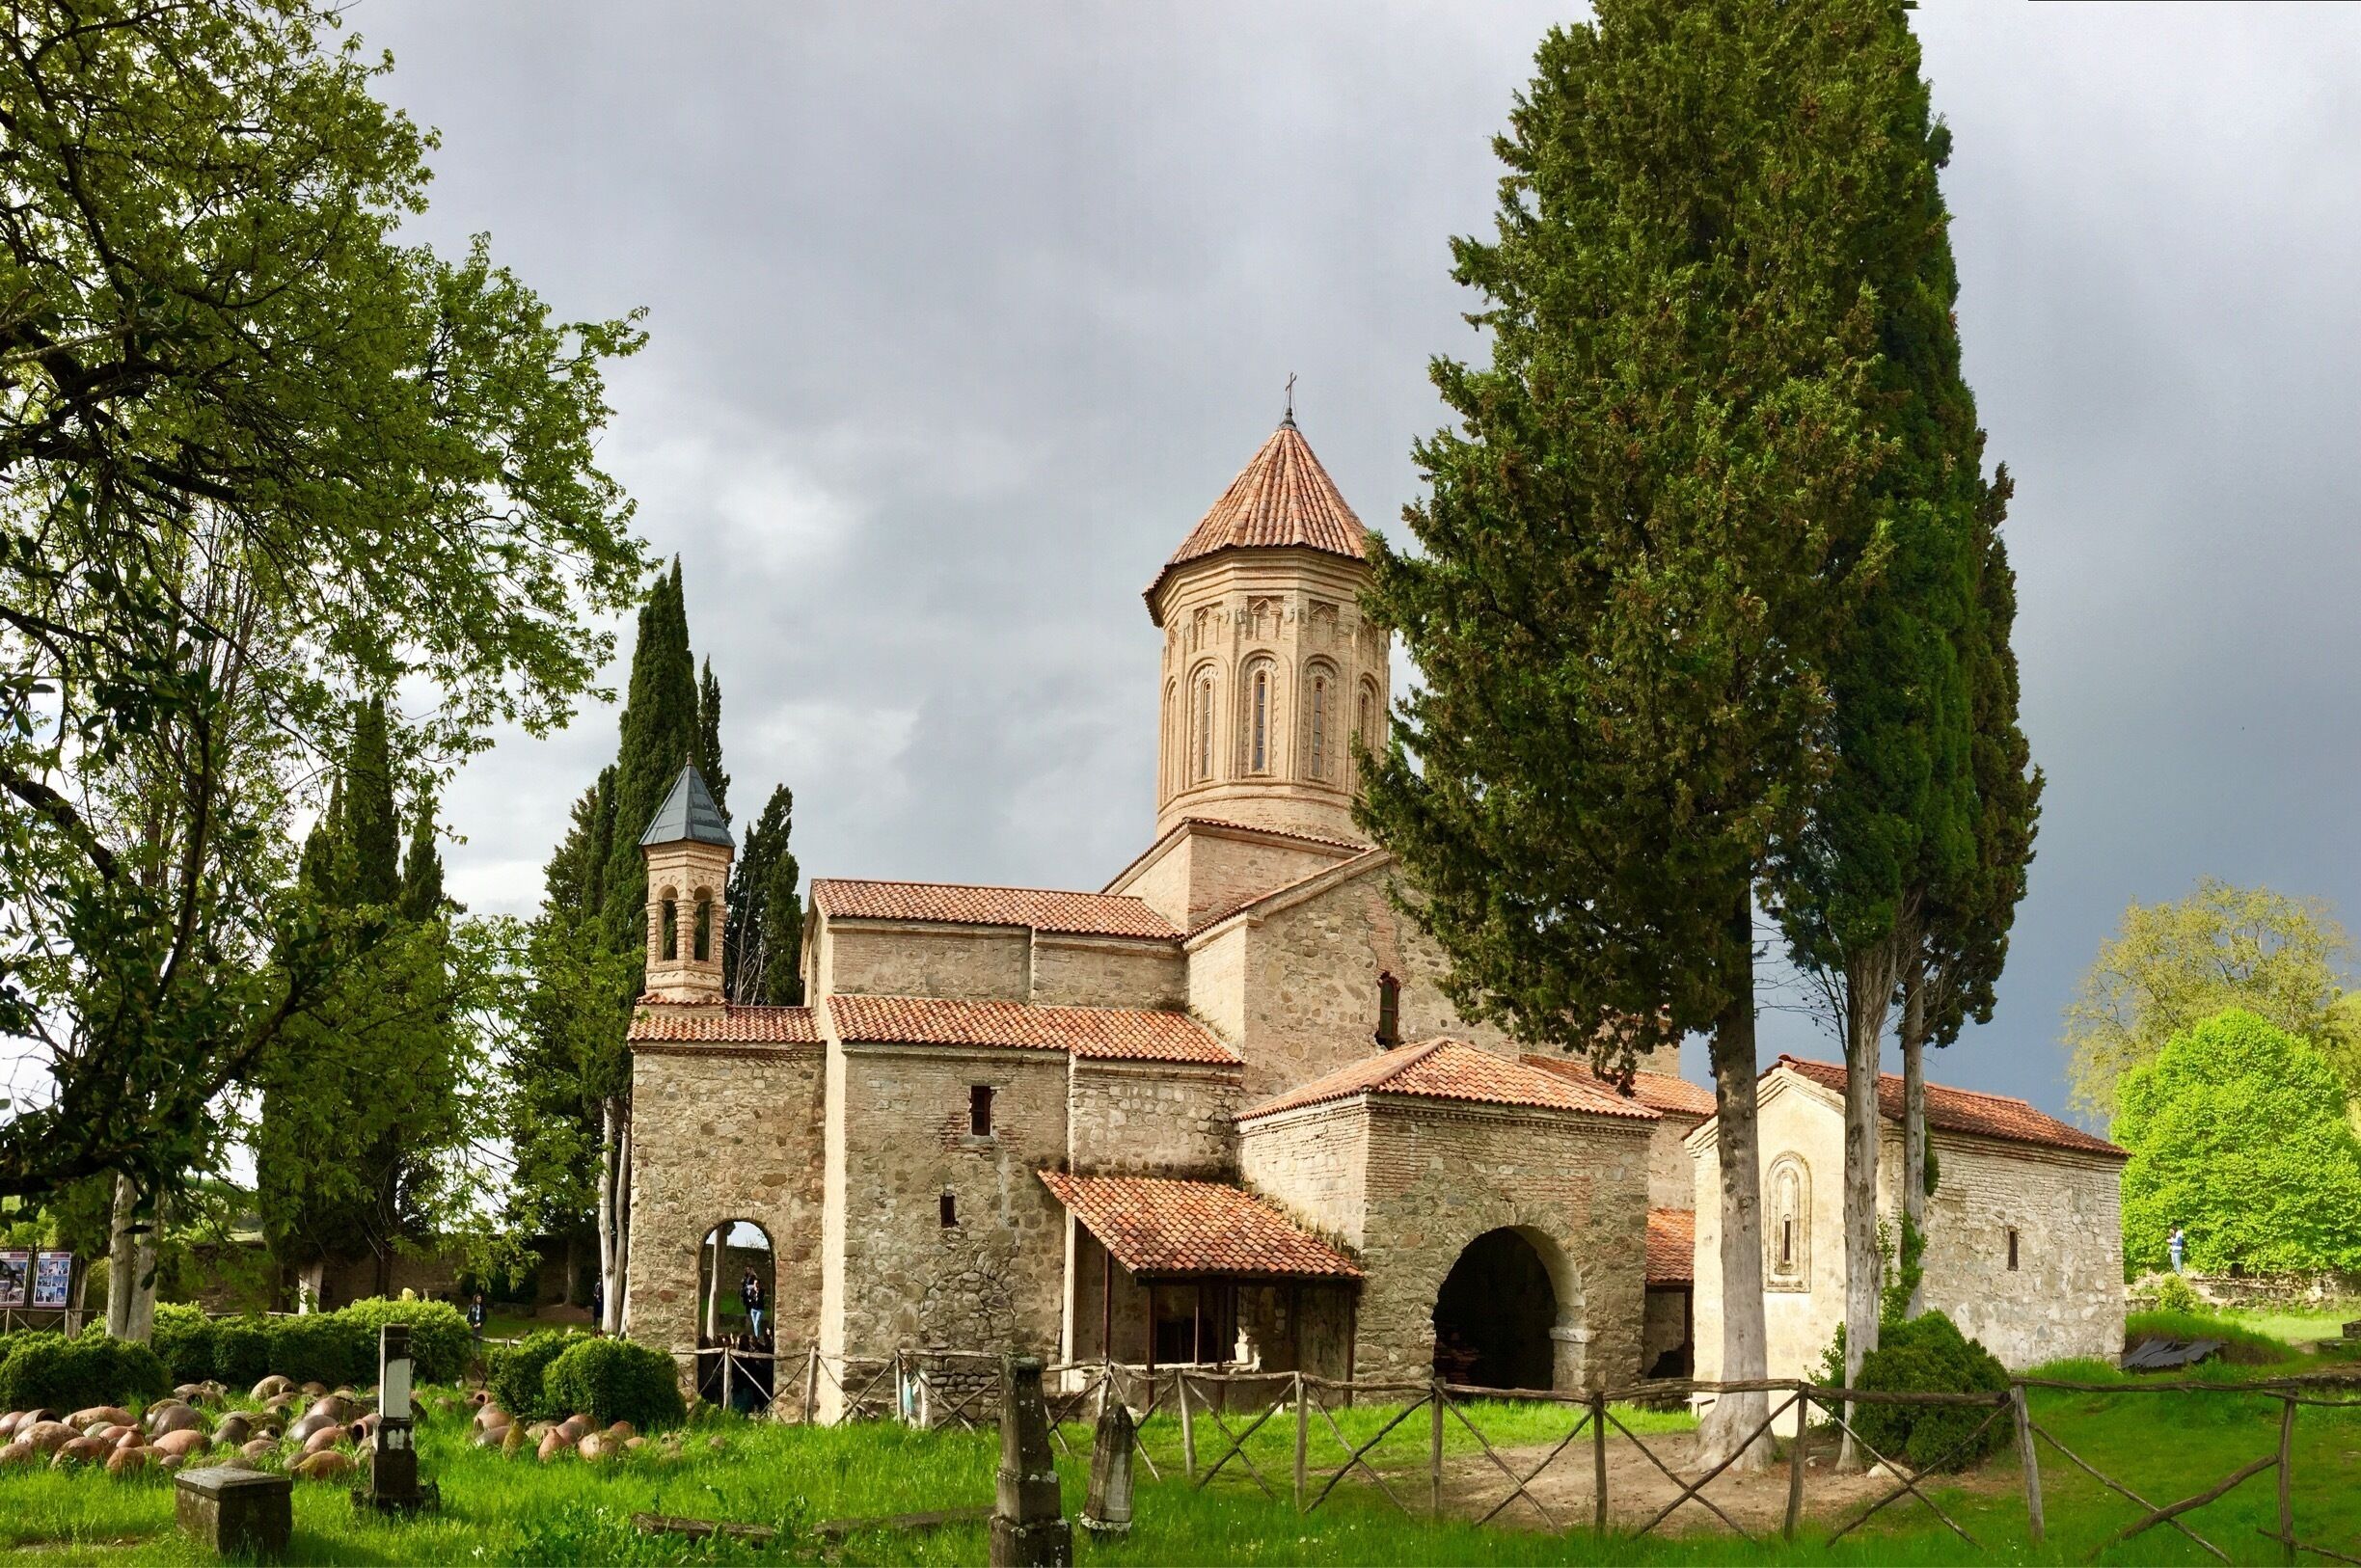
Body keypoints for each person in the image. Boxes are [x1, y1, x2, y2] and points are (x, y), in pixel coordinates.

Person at [741, 1268, 766, 1341]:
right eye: (754, 1284)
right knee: (756, 1325)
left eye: (757, 1284)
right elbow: (750, 1299)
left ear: (759, 1284)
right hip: (753, 1310)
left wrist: (757, 1294)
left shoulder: (762, 1291)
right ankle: (759, 1337)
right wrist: (750, 1300)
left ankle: (757, 1338)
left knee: (756, 1323)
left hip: (760, 1309)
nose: (755, 1285)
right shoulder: (752, 1291)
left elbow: (760, 1299)